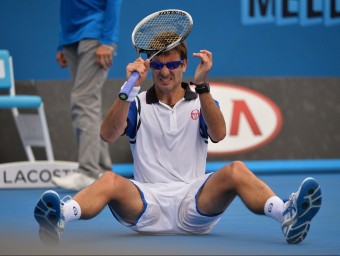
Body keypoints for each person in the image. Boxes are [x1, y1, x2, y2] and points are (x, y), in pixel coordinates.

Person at [34, 41, 322, 246]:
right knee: (109, 179)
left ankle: (285, 214)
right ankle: (60, 216)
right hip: (146, 205)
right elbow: (108, 135)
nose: (165, 71)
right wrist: (128, 88)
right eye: (158, 64)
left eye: (172, 64)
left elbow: (219, 133)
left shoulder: (201, 99)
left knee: (235, 169)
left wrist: (203, 85)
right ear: (152, 66)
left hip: (195, 203)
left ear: (184, 64)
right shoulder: (136, 104)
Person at [51, 0, 122, 191]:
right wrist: (62, 41)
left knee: (83, 101)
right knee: (88, 103)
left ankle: (88, 171)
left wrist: (107, 40)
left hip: (95, 34)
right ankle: (102, 170)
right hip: (71, 39)